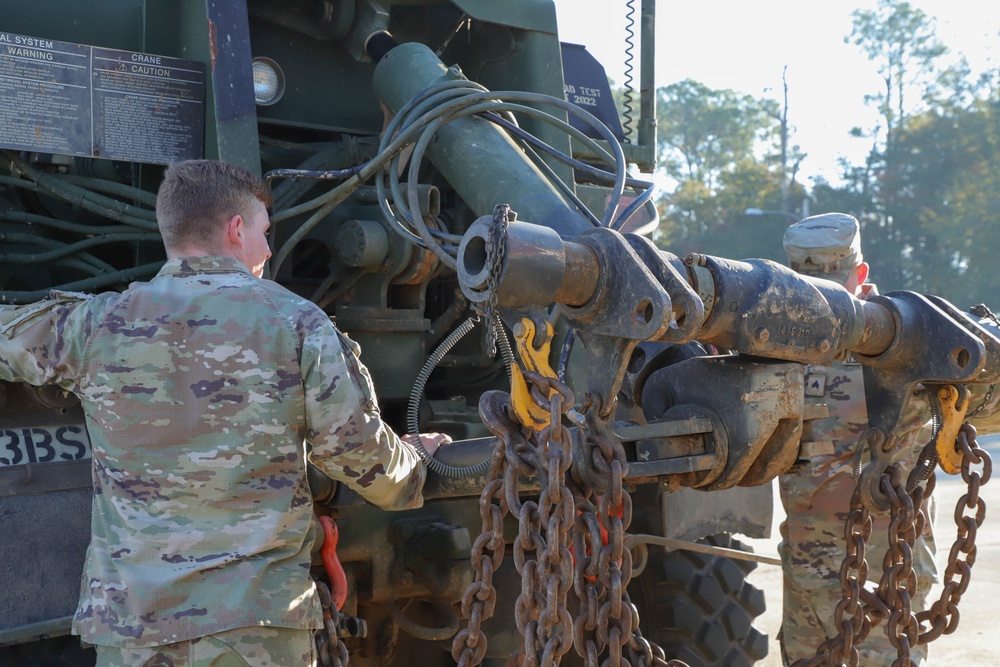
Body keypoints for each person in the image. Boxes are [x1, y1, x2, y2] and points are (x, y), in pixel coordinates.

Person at [0, 159, 448, 666]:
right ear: (236, 230)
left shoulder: (96, 324)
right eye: (264, 231)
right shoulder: (297, 322)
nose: (269, 248)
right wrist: (417, 461)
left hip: (134, 631)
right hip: (252, 629)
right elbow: (364, 462)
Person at [777, 213, 938, 665]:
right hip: (809, 568)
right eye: (805, 282)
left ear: (861, 275)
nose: (818, 296)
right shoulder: (775, 347)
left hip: (888, 572)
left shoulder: (906, 343)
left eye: (829, 280)